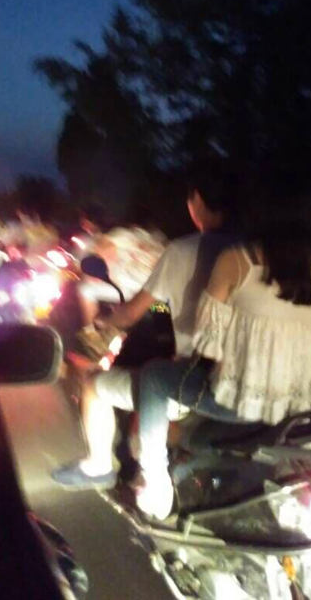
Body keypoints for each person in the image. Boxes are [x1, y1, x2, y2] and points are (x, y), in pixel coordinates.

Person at [134, 171, 311, 519]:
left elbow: (207, 342)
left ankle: (155, 482)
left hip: (241, 403)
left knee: (153, 377)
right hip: (299, 404)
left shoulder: (236, 260)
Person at [52, 160, 238, 494]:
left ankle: (99, 466)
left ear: (196, 201)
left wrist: (103, 324)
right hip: (249, 379)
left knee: (94, 385)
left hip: (200, 377)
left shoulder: (181, 250)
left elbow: (129, 315)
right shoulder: (252, 252)